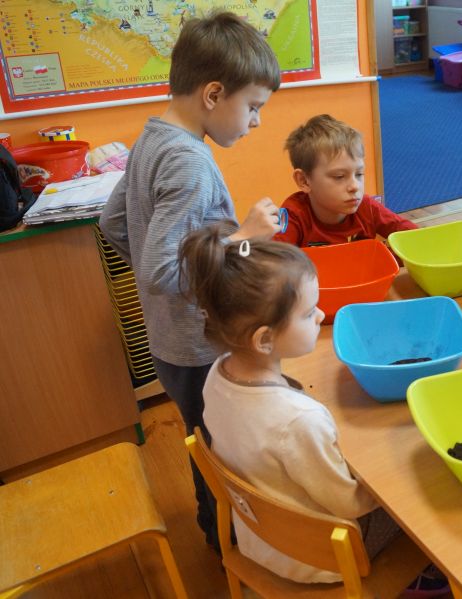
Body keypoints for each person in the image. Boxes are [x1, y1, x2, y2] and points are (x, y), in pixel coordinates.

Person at [98, 11, 282, 549]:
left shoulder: (152, 138)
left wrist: (165, 270)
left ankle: (219, 530)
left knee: (201, 436)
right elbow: (162, 272)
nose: (255, 122)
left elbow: (112, 223)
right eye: (253, 107)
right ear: (213, 94)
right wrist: (244, 236)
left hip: (168, 340)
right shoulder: (190, 164)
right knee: (219, 447)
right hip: (198, 345)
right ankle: (226, 540)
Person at [178, 223, 404, 583]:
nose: (320, 315)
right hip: (321, 558)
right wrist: (393, 475)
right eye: (308, 312)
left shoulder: (217, 376)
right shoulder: (299, 421)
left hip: (260, 539)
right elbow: (350, 503)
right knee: (417, 497)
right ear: (264, 340)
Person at [274, 114, 417, 247]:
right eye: (339, 177)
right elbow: (273, 260)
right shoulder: (293, 216)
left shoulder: (367, 207)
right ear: (304, 181)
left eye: (359, 174)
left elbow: (415, 237)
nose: (355, 186)